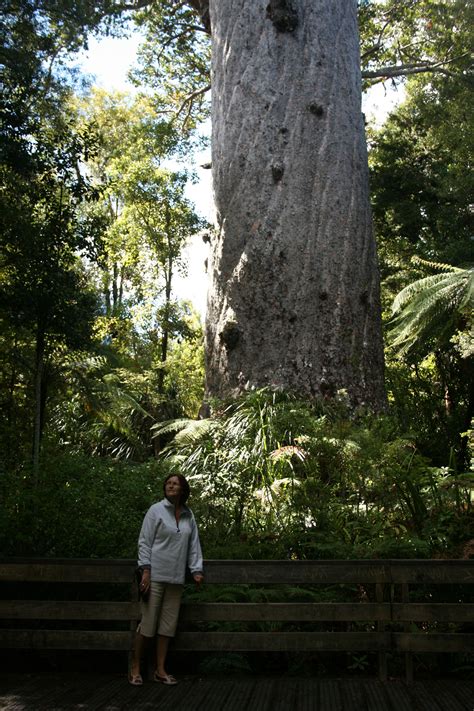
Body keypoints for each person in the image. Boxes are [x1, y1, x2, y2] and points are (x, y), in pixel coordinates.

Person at [129, 473, 203, 686]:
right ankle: (135, 667)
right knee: (148, 624)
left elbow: (193, 544)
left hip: (176, 578)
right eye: (168, 483)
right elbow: (144, 542)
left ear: (183, 489)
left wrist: (196, 569)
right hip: (155, 576)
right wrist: (145, 570)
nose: (171, 486)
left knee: (167, 627)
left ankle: (160, 670)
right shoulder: (156, 511)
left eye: (175, 484)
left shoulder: (189, 515)